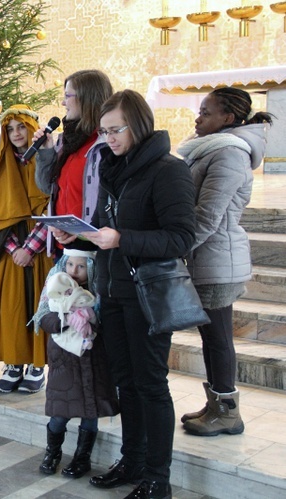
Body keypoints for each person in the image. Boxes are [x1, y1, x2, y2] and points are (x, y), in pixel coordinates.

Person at [78, 90, 196, 499]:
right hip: (112, 290)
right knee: (125, 382)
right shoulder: (115, 168)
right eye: (103, 131)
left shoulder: (168, 170)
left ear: (138, 125)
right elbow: (103, 232)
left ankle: (157, 478)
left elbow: (181, 238)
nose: (107, 138)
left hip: (147, 295)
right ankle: (133, 460)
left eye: (115, 130)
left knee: (150, 385)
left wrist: (121, 238)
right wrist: (78, 235)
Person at [178, 87, 273, 437]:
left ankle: (228, 412)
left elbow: (208, 217)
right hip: (205, 257)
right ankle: (216, 401)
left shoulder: (229, 154)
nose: (197, 117)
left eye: (206, 111)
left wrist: (176, 246)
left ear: (228, 119)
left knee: (218, 337)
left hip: (217, 259)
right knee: (210, 336)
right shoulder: (211, 149)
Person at [0, 105, 53, 393]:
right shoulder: (2, 166)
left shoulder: (46, 162)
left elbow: (52, 207)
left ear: (33, 128)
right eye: (10, 129)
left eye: (21, 126)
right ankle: (13, 364)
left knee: (37, 304)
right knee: (12, 308)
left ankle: (36, 365)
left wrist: (29, 249)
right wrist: (13, 248)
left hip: (39, 249)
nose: (16, 133)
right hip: (12, 249)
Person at [33, 249, 119, 478]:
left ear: (91, 267)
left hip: (94, 362)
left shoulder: (98, 291)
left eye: (81, 266)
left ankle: (82, 458)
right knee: (59, 413)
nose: (74, 271)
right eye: (70, 265)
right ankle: (52, 453)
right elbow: (43, 316)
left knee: (89, 414)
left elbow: (106, 322)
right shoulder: (56, 286)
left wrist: (90, 319)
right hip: (65, 364)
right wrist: (66, 320)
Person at [34, 70, 113, 254]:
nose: (63, 102)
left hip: (94, 249)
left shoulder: (106, 144)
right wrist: (46, 151)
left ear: (87, 98)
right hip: (65, 247)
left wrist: (85, 236)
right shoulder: (65, 142)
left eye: (68, 96)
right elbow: (47, 187)